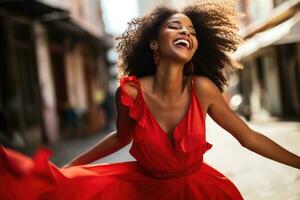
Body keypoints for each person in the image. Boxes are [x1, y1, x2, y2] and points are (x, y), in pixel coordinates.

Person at [0, 1, 299, 200]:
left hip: (200, 190)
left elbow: (248, 137)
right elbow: (120, 137)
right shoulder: (130, 93)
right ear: (154, 43)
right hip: (143, 192)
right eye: (175, 27)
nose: (185, 32)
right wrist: (65, 170)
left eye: (192, 32)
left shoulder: (202, 89)